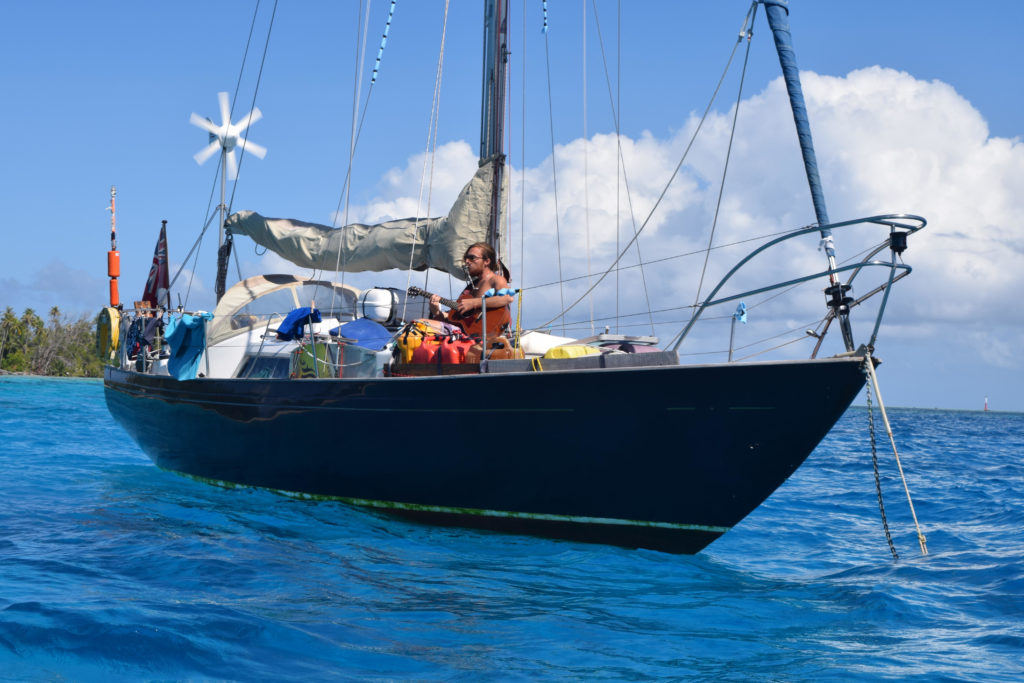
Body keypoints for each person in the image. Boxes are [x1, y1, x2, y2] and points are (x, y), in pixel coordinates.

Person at [429, 242, 513, 335]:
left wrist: (474, 303)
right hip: (465, 333)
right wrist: (437, 313)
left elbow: (508, 297)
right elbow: (457, 319)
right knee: (421, 326)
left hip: (485, 333)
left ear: (486, 261)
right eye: (466, 258)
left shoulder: (496, 279)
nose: (467, 261)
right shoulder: (471, 287)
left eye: (472, 258)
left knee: (419, 325)